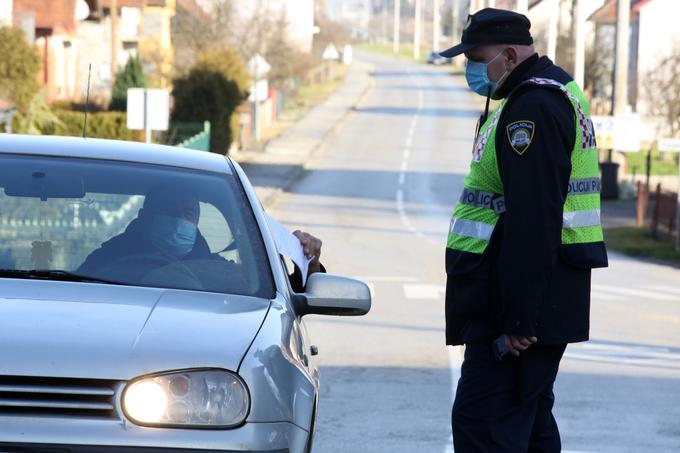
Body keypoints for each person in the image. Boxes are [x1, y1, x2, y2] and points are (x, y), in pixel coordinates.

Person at [439, 8, 608, 452]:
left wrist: (518, 320)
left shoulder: (530, 111)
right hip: (533, 306)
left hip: (515, 319)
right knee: (528, 429)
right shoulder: (550, 91)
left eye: (477, 58)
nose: (471, 70)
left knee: (483, 428)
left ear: (510, 56)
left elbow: (535, 221)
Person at [78, 186, 323, 293]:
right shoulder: (108, 259)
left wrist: (308, 263)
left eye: (188, 214)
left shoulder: (218, 270)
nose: (179, 220)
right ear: (146, 215)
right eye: (170, 211)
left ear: (196, 222)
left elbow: (276, 294)